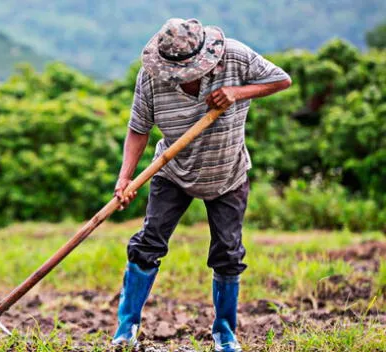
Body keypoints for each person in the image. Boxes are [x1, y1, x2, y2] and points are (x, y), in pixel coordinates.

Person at [112, 18, 291, 351]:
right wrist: (125, 178)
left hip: (228, 173)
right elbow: (138, 128)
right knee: (147, 244)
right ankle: (126, 329)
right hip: (172, 171)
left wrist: (238, 92)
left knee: (228, 253)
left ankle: (225, 333)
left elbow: (281, 80)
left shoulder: (236, 57)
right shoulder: (152, 77)